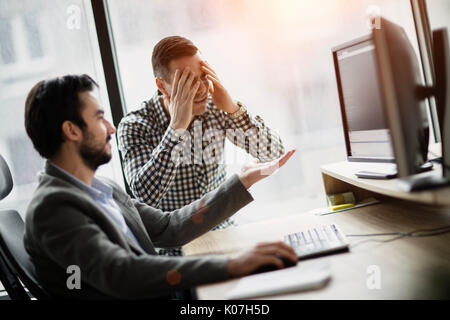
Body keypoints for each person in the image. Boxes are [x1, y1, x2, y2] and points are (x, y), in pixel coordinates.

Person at [23, 74, 296, 299]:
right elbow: (122, 273)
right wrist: (231, 265)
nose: (111, 128)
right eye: (99, 118)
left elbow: (169, 228)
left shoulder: (103, 187)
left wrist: (242, 182)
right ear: (71, 131)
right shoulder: (53, 207)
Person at [117, 36, 285, 249]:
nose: (201, 89)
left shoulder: (215, 107)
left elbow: (274, 155)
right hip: (176, 250)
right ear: (162, 85)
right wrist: (176, 127)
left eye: (203, 76)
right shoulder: (135, 125)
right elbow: (145, 195)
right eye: (187, 81)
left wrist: (233, 109)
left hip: (225, 235)